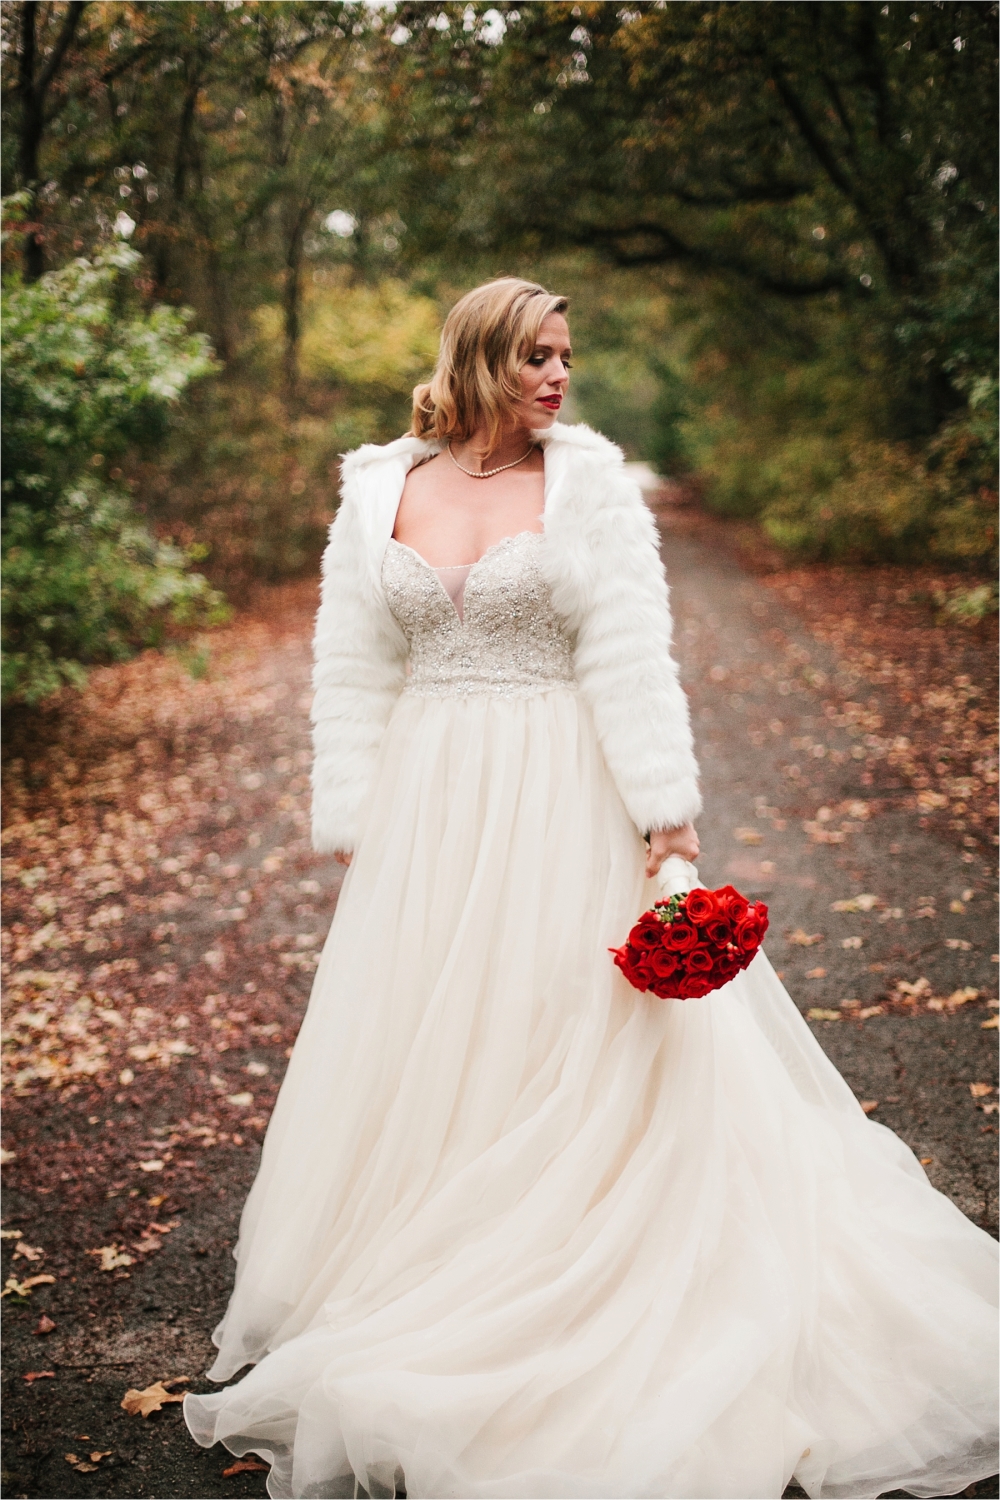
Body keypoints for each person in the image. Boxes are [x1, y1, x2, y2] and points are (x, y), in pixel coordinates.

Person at [185, 278, 998, 1500]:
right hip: (429, 809)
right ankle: (431, 1259)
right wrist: (352, 813)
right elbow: (350, 664)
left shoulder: (590, 484)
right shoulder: (375, 491)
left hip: (562, 788)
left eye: (566, 355)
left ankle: (590, 1271)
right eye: (533, 357)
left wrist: (667, 826)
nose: (558, 377)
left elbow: (630, 654)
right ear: (475, 361)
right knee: (438, 1041)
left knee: (567, 1028)